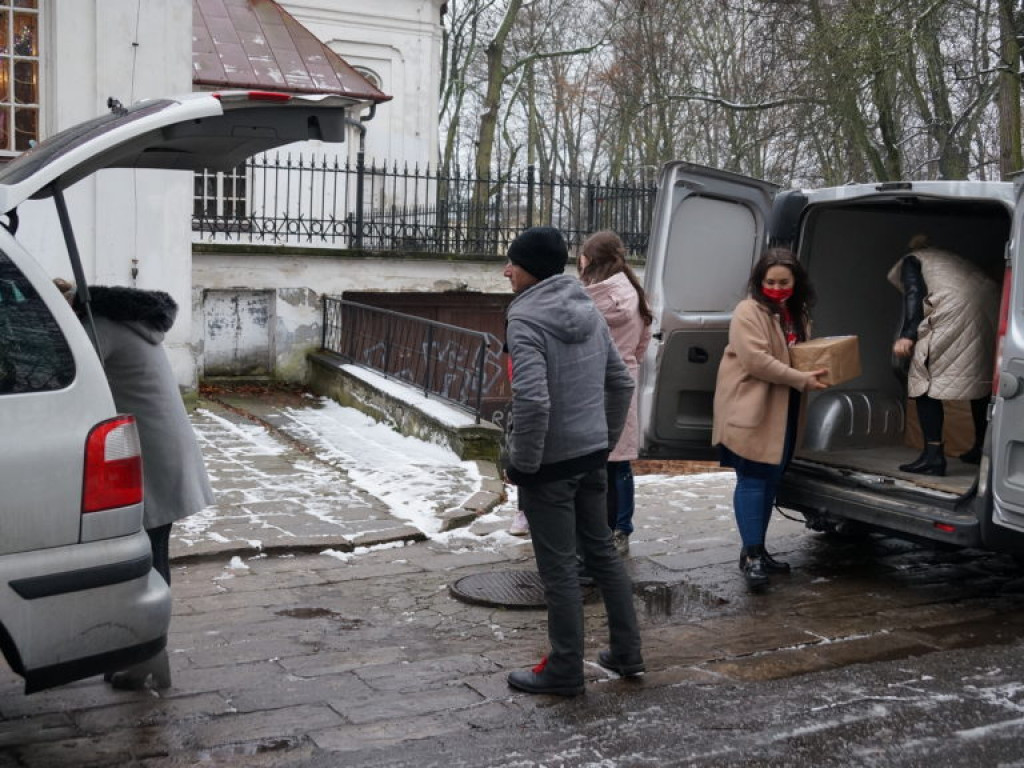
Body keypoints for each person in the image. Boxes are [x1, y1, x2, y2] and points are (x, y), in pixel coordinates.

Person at [501, 226, 644, 696]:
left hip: (550, 464)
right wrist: (600, 443)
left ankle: (564, 668)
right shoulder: (587, 305)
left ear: (530, 270)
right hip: (590, 457)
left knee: (559, 569)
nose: (506, 270)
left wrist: (523, 464)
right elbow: (620, 383)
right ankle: (627, 652)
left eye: (512, 263)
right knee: (601, 554)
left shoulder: (524, 319)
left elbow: (533, 401)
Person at [57, 281, 214, 689]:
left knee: (148, 564)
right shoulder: (123, 321)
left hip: (151, 456)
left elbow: (67, 380)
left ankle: (149, 655)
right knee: (151, 557)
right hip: (159, 450)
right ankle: (148, 655)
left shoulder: (97, 327)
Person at [712, 248, 828, 590]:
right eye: (770, 281)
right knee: (752, 479)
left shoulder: (797, 313)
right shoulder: (748, 311)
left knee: (771, 480)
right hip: (750, 407)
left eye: (784, 281)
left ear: (797, 282)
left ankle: (759, 551)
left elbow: (800, 354)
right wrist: (800, 378)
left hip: (785, 407)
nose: (777, 287)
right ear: (760, 281)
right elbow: (756, 361)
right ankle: (750, 555)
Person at [889, 234, 1000, 476]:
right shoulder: (950, 259)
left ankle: (933, 456)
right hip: (989, 306)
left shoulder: (912, 260)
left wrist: (908, 334)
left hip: (954, 309)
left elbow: (914, 294)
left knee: (922, 380)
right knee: (977, 377)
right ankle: (981, 447)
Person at [577, 230, 653, 556]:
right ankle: (623, 528)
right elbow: (644, 337)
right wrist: (629, 362)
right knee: (620, 464)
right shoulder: (634, 291)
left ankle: (597, 529)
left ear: (590, 259)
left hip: (594, 380)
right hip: (626, 376)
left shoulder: (588, 297)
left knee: (596, 461)